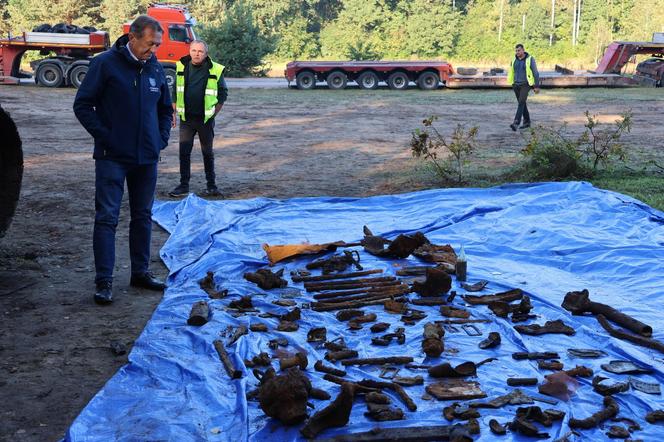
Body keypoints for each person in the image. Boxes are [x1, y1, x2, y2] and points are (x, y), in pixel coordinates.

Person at [73, 15, 173, 305]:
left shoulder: (154, 67)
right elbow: (83, 105)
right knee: (107, 218)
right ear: (133, 38)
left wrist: (161, 138)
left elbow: (165, 109)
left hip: (146, 158)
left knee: (143, 216)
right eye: (150, 44)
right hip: (112, 158)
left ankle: (140, 273)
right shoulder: (105, 64)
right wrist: (107, 137)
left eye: (157, 45)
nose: (154, 50)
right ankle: (104, 281)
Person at [168, 40, 228, 197]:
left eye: (200, 51)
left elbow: (222, 94)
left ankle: (211, 186)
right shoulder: (181, 66)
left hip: (205, 120)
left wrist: (213, 114)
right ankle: (183, 185)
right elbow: (175, 90)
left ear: (206, 54)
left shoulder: (215, 69)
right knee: (184, 153)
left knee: (207, 153)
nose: (196, 54)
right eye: (193, 50)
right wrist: (173, 110)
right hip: (186, 119)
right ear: (189, 51)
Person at [507, 43, 540, 131]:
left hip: (526, 84)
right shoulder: (514, 59)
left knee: (521, 102)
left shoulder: (530, 59)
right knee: (522, 103)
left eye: (519, 50)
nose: (517, 52)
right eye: (516, 50)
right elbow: (512, 71)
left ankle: (516, 122)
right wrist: (512, 82)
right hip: (516, 85)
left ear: (523, 50)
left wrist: (536, 86)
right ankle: (527, 121)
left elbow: (535, 73)